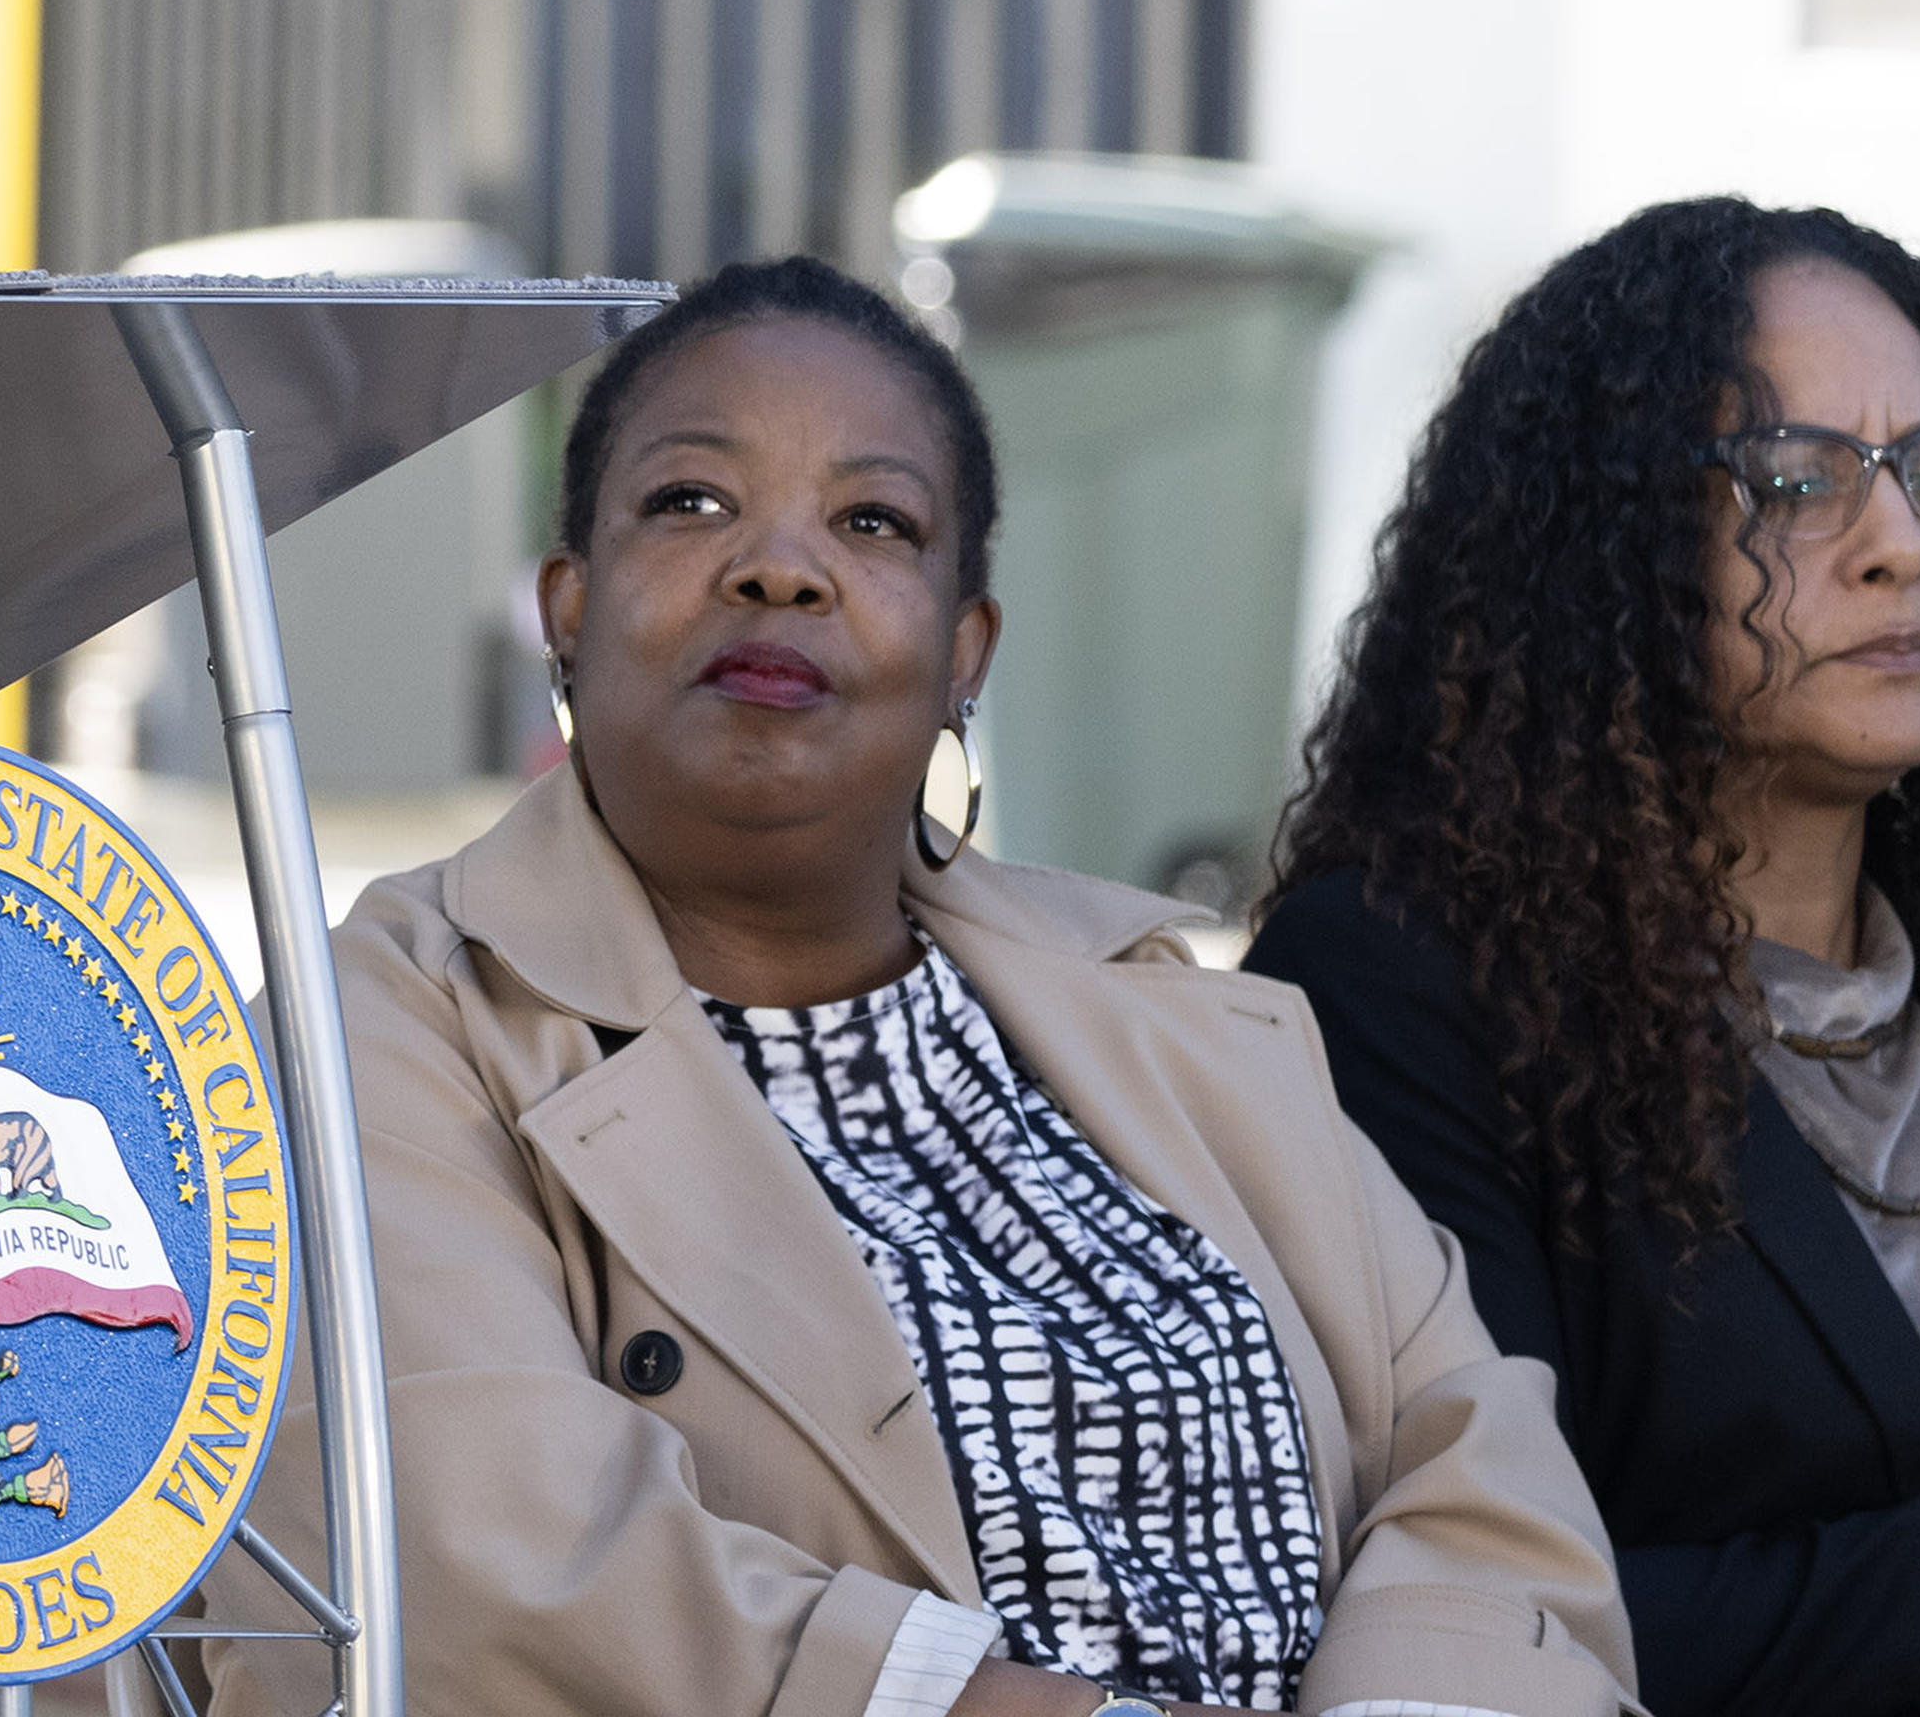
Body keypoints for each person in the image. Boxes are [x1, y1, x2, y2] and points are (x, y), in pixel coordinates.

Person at [204, 253, 1632, 1717]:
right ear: (566, 607)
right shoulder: (380, 1032)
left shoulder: (1191, 1025)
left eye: (873, 520)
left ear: (966, 654)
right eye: (691, 503)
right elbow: (459, 1543)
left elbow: (1474, 1461)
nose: (779, 566)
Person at [1251, 200, 1920, 1717]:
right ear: (1605, 547)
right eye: (1798, 481)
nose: (1898, 542)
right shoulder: (1397, 988)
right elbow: (1480, 1618)